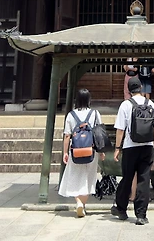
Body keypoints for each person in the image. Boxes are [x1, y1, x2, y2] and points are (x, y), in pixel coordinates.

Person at [113, 76, 154, 225]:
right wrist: (152, 143)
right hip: (147, 147)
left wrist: (117, 148)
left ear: (129, 90)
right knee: (144, 180)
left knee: (127, 178)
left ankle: (121, 209)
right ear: (141, 88)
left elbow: (120, 129)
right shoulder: (150, 103)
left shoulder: (125, 105)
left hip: (130, 146)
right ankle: (141, 214)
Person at [59, 88, 104, 217]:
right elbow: (99, 133)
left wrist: (65, 152)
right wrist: (101, 151)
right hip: (91, 151)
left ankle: (79, 202)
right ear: (89, 99)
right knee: (89, 177)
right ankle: (82, 204)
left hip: (76, 151)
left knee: (74, 177)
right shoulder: (95, 113)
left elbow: (67, 135)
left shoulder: (71, 115)